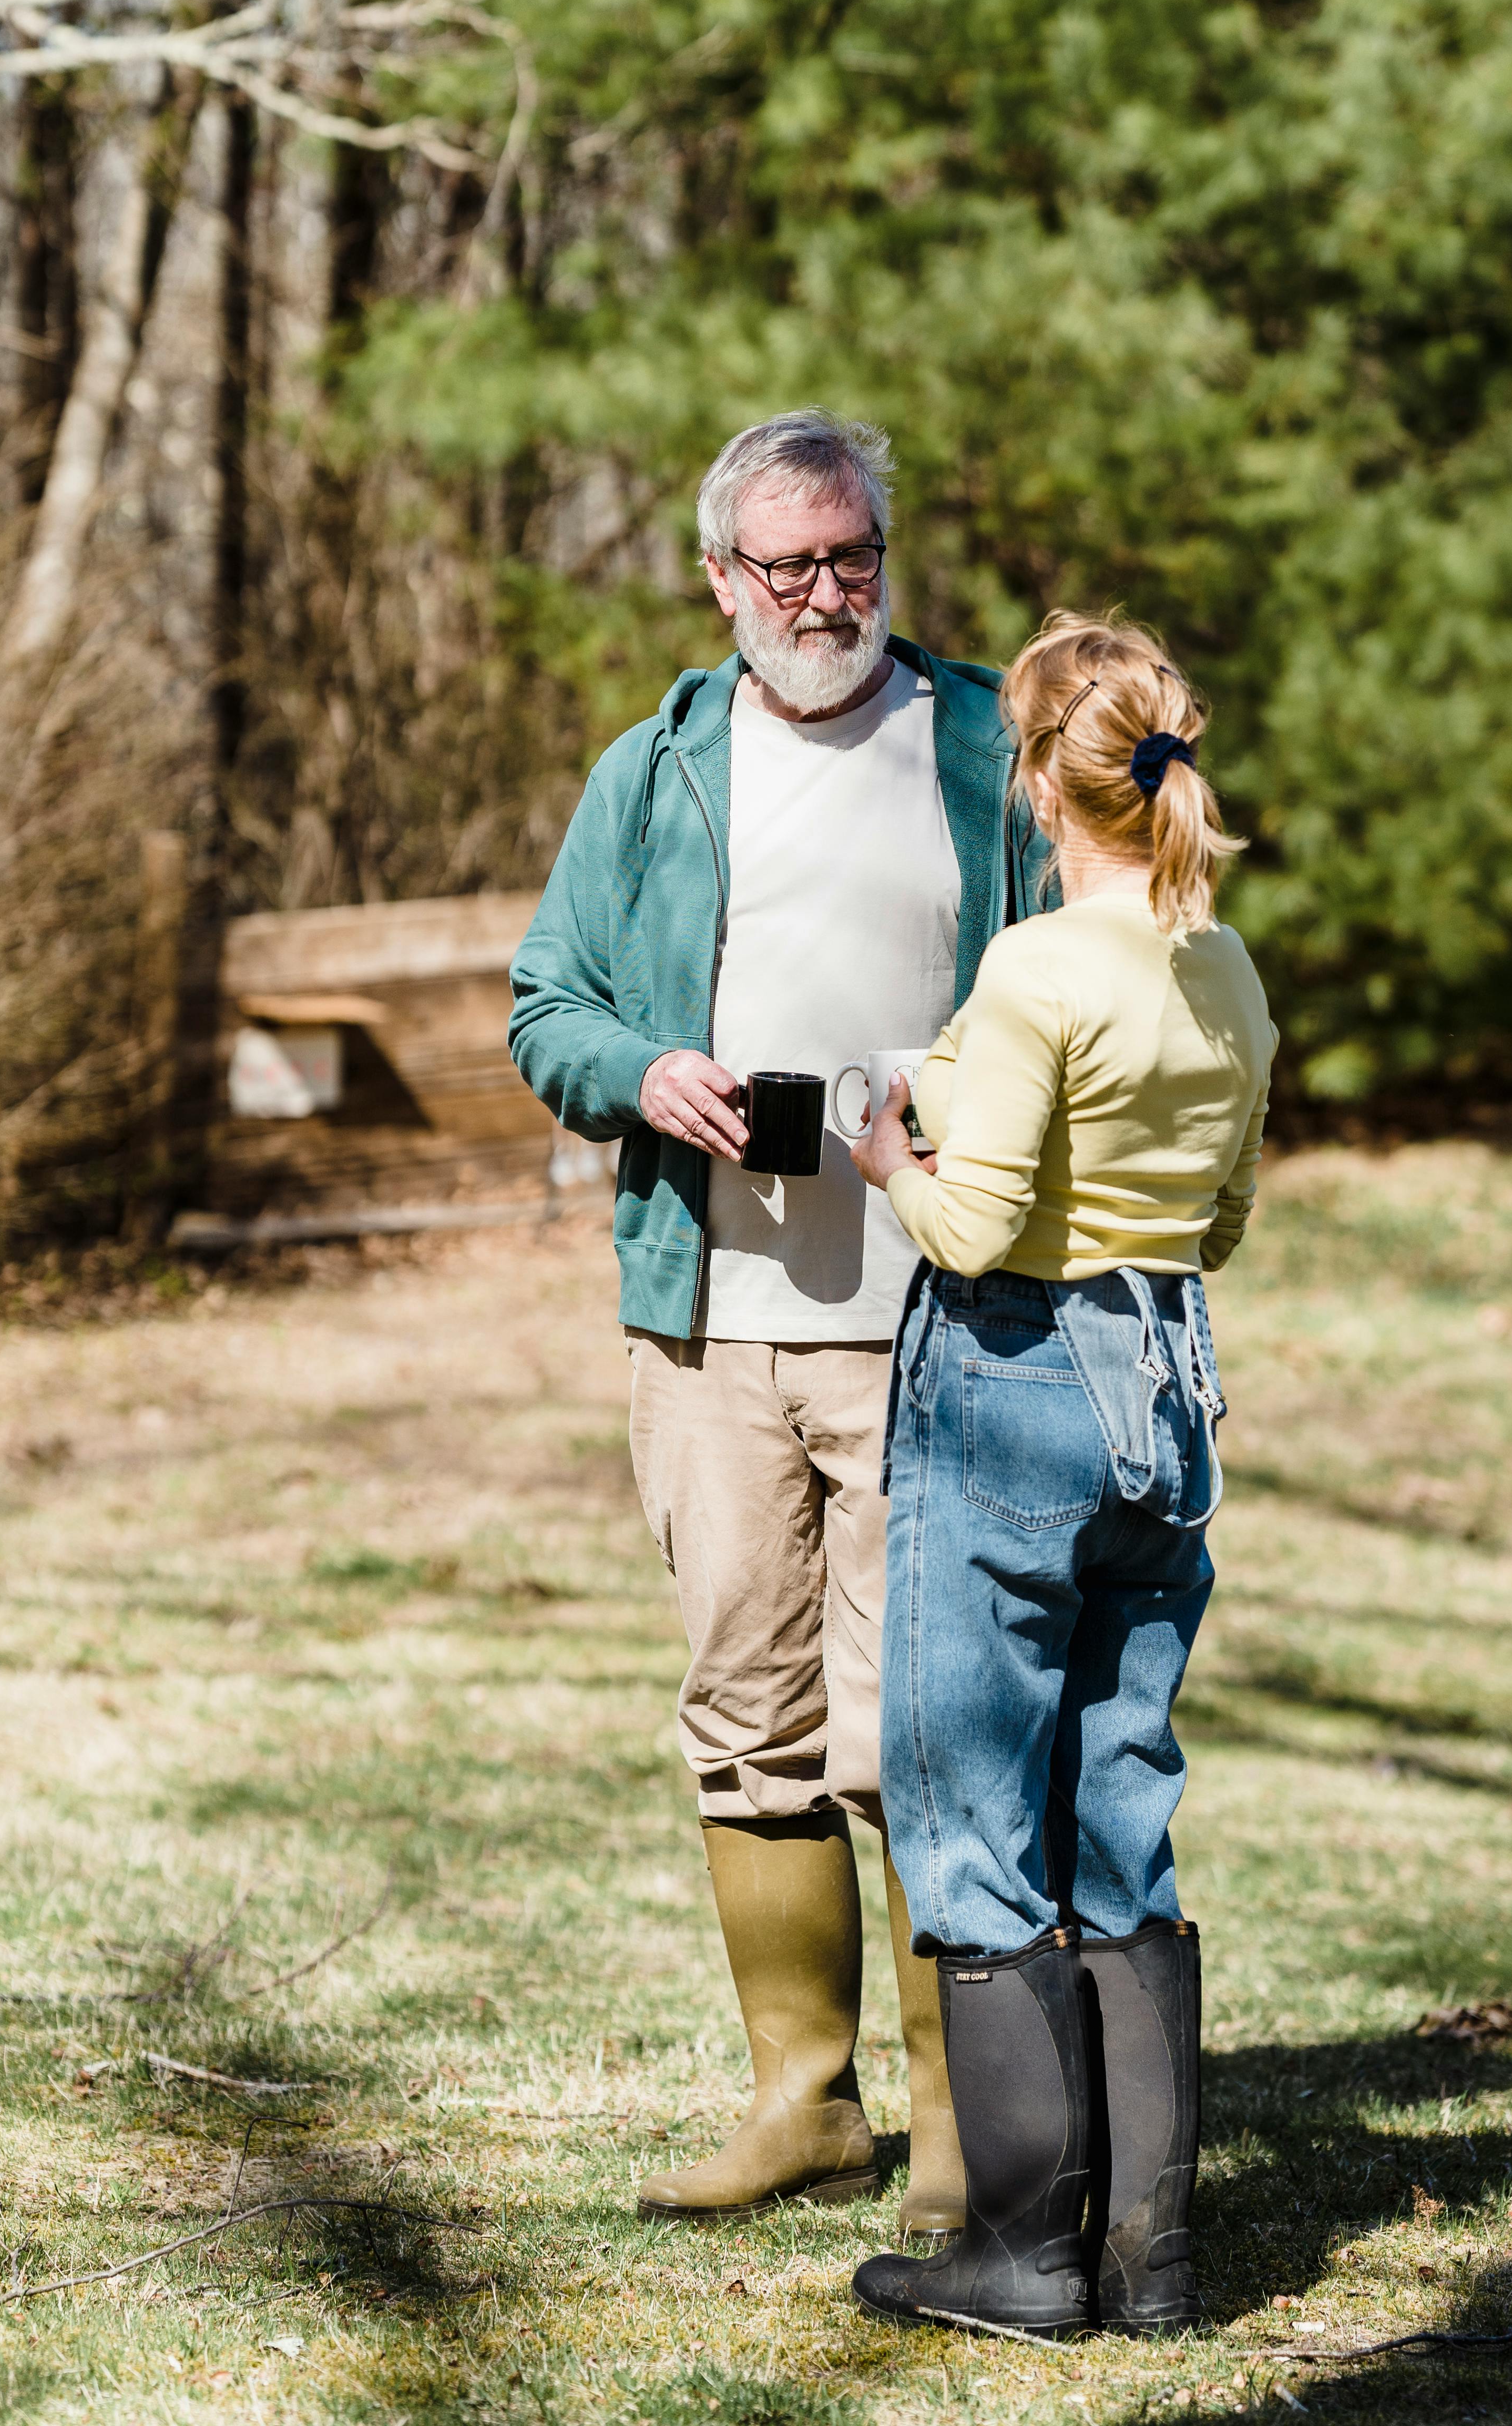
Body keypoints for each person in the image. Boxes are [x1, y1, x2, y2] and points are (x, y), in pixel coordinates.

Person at [508, 411, 1050, 2231]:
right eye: (790, 565)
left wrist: (964, 1100)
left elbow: (1087, 990)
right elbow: (543, 1005)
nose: (827, 596)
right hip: (708, 1322)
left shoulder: (989, 745)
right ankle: (804, 2103)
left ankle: (963, 2130)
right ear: (721, 580)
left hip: (939, 1319)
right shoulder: (654, 769)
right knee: (746, 1714)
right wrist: (639, 1070)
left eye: (855, 559)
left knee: (924, 1734)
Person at [843, 611, 1276, 2342]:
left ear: (1042, 784)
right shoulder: (1224, 966)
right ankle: (1152, 2262)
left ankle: (1023, 2254)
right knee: (1120, 1805)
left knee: (964, 1809)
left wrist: (888, 1148)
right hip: (1166, 1385)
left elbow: (972, 1219)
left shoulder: (1038, 970)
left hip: (1016, 1385)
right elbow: (1224, 1214)